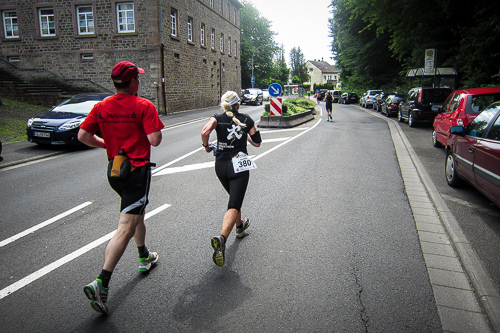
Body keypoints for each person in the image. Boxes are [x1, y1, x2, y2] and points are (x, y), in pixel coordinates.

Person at [78, 60, 164, 314]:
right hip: (137, 172)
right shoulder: (144, 105)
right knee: (125, 226)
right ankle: (101, 283)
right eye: (137, 78)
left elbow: (83, 136)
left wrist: (108, 144)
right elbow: (155, 140)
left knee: (138, 214)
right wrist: (153, 130)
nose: (139, 81)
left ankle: (144, 256)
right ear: (133, 82)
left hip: (115, 170)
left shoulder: (101, 106)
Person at [201, 91, 261, 267]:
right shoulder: (247, 119)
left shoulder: (216, 117)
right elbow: (257, 142)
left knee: (235, 198)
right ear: (238, 104)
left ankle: (240, 226)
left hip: (220, 166)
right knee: (234, 204)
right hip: (238, 166)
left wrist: (206, 146)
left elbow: (205, 131)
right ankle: (222, 239)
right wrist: (246, 136)